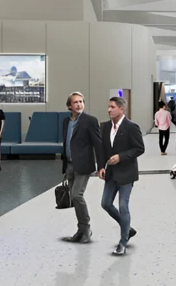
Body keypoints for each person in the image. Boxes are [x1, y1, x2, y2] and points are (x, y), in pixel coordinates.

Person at [99, 96, 144, 256]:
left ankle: (123, 242)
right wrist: (101, 167)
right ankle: (128, 228)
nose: (109, 110)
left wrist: (120, 156)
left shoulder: (131, 127)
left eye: (112, 107)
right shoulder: (105, 127)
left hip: (126, 173)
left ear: (121, 109)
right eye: (109, 107)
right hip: (111, 173)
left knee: (123, 206)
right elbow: (102, 149)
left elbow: (139, 148)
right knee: (105, 203)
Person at [61, 92, 104, 244]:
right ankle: (80, 230)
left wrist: (101, 165)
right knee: (73, 197)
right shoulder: (66, 121)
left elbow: (98, 144)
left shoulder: (90, 121)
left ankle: (86, 229)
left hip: (84, 164)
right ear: (69, 106)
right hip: (70, 165)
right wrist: (65, 166)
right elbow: (66, 143)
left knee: (77, 195)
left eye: (81, 101)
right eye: (75, 102)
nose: (79, 104)